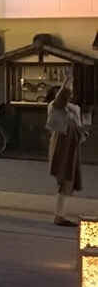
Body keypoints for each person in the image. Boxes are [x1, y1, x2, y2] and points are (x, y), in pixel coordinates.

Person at [46, 71, 87, 226]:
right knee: (64, 179)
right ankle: (59, 216)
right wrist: (67, 81)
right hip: (62, 146)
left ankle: (60, 215)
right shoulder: (55, 106)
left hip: (70, 146)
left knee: (67, 181)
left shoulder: (69, 109)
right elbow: (61, 99)